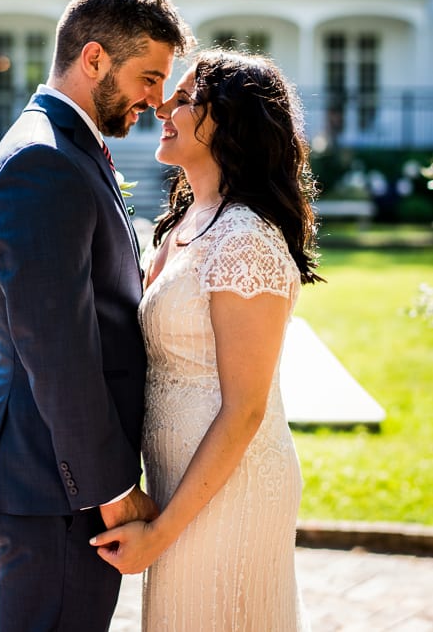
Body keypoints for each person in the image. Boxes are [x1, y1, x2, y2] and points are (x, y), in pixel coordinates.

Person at [0, 0, 193, 632]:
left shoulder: (66, 147)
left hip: (54, 476)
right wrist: (110, 490)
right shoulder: (44, 163)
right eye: (148, 77)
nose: (157, 99)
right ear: (94, 59)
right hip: (56, 482)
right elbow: (56, 349)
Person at [91, 49, 324, 631]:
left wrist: (162, 533)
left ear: (233, 124)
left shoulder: (244, 238)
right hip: (181, 482)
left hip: (231, 489)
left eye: (189, 98)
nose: (165, 105)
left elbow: (245, 409)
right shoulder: (188, 221)